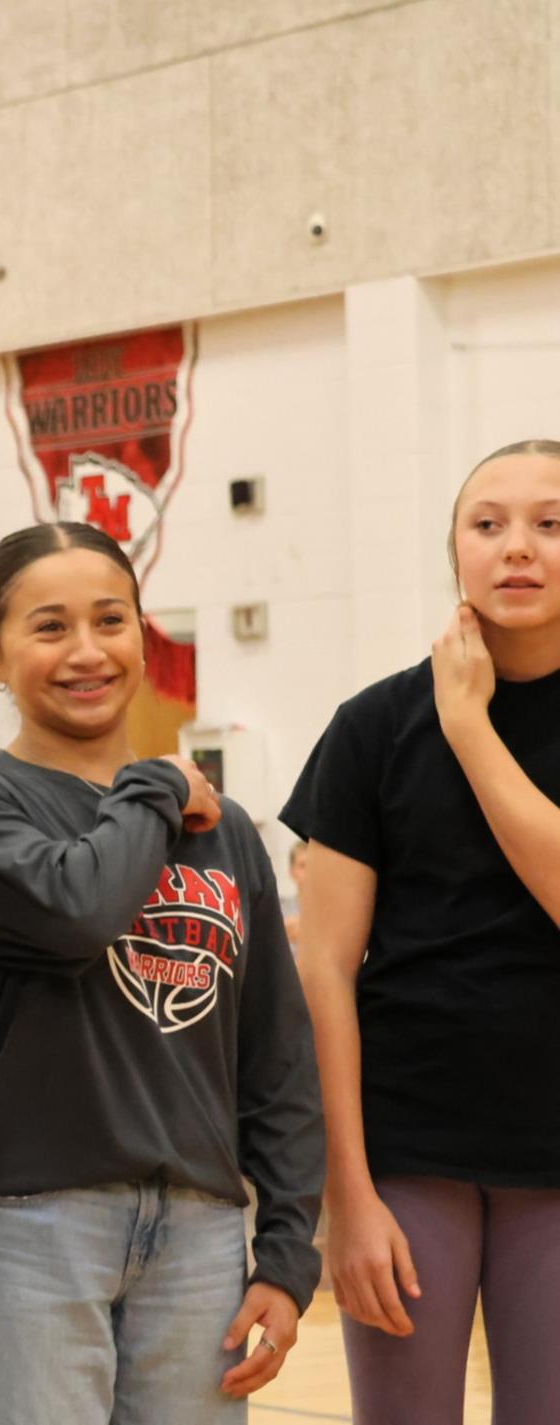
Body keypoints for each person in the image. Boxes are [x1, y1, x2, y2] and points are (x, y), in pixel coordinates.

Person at [0, 520, 324, 1424]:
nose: (87, 651)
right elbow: (80, 911)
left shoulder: (226, 832)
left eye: (111, 620)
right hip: (30, 1222)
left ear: (145, 633)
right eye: (49, 627)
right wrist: (157, 785)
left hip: (202, 1232)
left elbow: (276, 1057)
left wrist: (289, 1249)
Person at [283, 439, 560, 1424]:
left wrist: (472, 727)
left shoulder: (450, 717)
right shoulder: (370, 726)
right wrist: (345, 1192)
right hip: (406, 1149)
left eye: (548, 523)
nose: (516, 548)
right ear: (454, 550)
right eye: (487, 524)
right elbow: (323, 969)